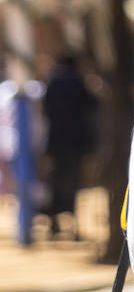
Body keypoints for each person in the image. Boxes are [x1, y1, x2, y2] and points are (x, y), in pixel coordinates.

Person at [43, 53, 98, 238]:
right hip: (75, 141)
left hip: (56, 140)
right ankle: (74, 227)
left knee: (56, 181)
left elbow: (46, 109)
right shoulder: (78, 82)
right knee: (73, 182)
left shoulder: (52, 82)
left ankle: (53, 225)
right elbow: (91, 105)